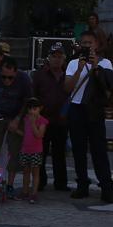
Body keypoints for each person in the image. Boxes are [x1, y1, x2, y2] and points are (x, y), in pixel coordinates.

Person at [64, 30, 113, 202]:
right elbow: (67, 87)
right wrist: (80, 69)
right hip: (77, 108)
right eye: (84, 43)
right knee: (78, 149)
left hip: (94, 109)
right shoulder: (73, 63)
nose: (87, 46)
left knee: (99, 150)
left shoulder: (105, 63)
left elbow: (108, 86)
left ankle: (106, 187)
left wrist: (95, 67)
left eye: (90, 43)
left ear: (96, 45)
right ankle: (82, 185)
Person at [0, 55, 32, 194]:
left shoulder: (24, 79)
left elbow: (27, 100)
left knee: (14, 151)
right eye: (4, 77)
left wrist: (18, 119)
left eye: (10, 77)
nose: (6, 80)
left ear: (16, 72)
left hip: (16, 115)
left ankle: (10, 184)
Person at [31, 44, 70, 192]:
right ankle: (39, 181)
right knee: (40, 152)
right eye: (54, 56)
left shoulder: (69, 74)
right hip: (43, 120)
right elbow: (33, 95)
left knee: (60, 153)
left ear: (64, 59)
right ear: (49, 58)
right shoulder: (40, 74)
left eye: (60, 56)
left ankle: (61, 182)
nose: (57, 59)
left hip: (61, 119)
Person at [19, 98, 48, 203]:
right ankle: (25, 191)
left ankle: (34, 193)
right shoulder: (26, 119)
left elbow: (39, 135)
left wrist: (32, 123)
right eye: (30, 109)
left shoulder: (42, 121)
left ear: (39, 109)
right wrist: (16, 131)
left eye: (34, 109)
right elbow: (25, 133)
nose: (32, 111)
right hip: (25, 149)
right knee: (25, 172)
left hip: (36, 151)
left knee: (35, 173)